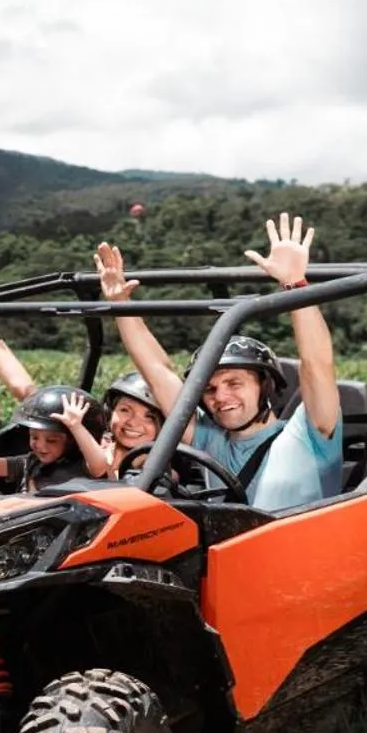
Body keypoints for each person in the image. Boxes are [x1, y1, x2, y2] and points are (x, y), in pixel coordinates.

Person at [96, 213, 343, 511]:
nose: (220, 397)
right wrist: (122, 307)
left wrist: (295, 285)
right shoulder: (210, 442)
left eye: (234, 383)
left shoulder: (311, 431)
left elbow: (316, 363)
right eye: (210, 389)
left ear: (264, 387)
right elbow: (158, 371)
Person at [0, 281, 166, 479]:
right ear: (110, 412)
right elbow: (28, 393)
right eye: (125, 410)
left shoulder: (160, 462)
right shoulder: (86, 433)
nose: (133, 422)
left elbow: (163, 370)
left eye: (149, 417)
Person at [0, 384, 110, 493]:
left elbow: (99, 466)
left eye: (51, 440)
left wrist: (76, 427)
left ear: (72, 441)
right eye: (34, 437)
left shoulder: (82, 467)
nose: (40, 446)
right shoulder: (29, 463)